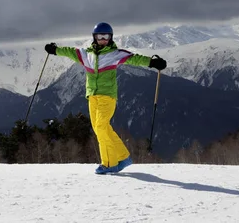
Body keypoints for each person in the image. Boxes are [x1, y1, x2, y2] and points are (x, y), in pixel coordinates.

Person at [44, 22, 167, 174]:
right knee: (100, 129)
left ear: (111, 38)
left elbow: (134, 58)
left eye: (106, 36)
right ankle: (123, 157)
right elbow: (69, 51)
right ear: (94, 38)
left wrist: (153, 63)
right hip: (92, 96)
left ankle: (109, 164)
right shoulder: (85, 54)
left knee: (101, 127)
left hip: (107, 96)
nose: (103, 39)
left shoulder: (115, 54)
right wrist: (55, 50)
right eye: (99, 36)